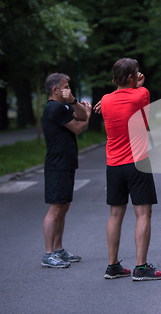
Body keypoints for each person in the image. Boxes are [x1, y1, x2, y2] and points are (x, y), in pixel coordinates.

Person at [94, 58, 161, 281]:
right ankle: (141, 267)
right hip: (138, 162)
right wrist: (138, 84)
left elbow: (111, 99)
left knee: (115, 214)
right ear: (133, 78)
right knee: (143, 213)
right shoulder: (141, 94)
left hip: (113, 164)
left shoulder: (105, 101)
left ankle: (112, 265)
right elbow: (139, 95)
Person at [41, 73, 92, 268]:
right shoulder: (54, 107)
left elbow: (79, 114)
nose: (69, 89)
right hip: (57, 165)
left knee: (64, 206)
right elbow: (79, 127)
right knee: (55, 209)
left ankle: (59, 249)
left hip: (66, 163)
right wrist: (86, 119)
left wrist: (75, 102)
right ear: (55, 90)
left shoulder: (62, 106)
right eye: (65, 86)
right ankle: (48, 254)